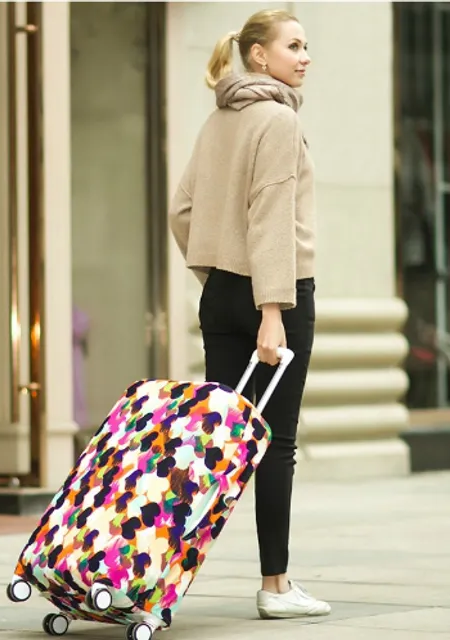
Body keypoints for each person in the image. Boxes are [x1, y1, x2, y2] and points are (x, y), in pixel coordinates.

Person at [168, 9, 331, 620]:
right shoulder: (279, 121)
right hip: (277, 296)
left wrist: (219, 275)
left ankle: (155, 571)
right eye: (294, 45)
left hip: (221, 294)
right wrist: (270, 310)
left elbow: (181, 212)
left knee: (218, 443)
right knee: (274, 443)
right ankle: (275, 586)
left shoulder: (219, 121)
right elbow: (269, 220)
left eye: (306, 45)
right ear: (260, 56)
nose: (305, 55)